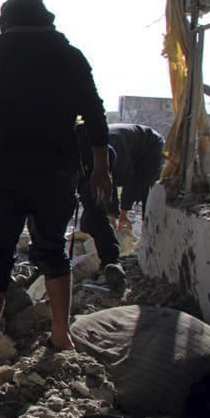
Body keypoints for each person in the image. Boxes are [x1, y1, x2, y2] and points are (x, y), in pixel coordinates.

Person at [0, 0, 111, 386]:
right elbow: (95, 112)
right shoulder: (71, 56)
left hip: (10, 169)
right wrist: (101, 168)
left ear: (6, 23)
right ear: (46, 20)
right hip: (58, 170)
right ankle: (61, 334)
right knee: (52, 247)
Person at [76, 122, 124, 294]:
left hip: (95, 164)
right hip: (85, 165)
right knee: (90, 218)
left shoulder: (78, 132)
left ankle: (111, 262)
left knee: (95, 212)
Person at [107, 123, 165, 230]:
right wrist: (112, 214)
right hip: (131, 148)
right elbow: (109, 181)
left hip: (151, 145)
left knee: (145, 186)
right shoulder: (93, 156)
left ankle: (148, 230)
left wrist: (124, 213)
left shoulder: (116, 153)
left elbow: (130, 180)